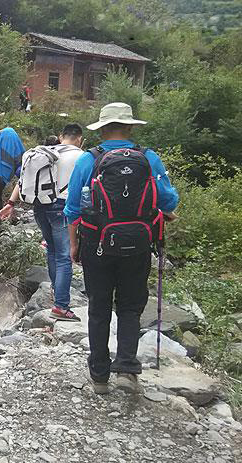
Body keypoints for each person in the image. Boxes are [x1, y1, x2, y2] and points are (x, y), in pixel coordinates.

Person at [64, 102, 179, 395]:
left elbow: (73, 208)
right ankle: (127, 369)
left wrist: (74, 245)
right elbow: (168, 201)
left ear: (101, 129)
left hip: (96, 244)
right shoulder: (149, 158)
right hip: (139, 246)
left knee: (99, 307)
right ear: (130, 127)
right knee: (130, 306)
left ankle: (100, 376)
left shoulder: (88, 160)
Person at [0, 124, 85, 321]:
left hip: (39, 207)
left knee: (53, 251)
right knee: (64, 256)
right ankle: (61, 306)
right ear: (79, 138)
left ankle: (57, 293)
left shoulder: (44, 152)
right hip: (62, 207)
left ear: (61, 136)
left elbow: (23, 181)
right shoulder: (81, 156)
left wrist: (10, 203)